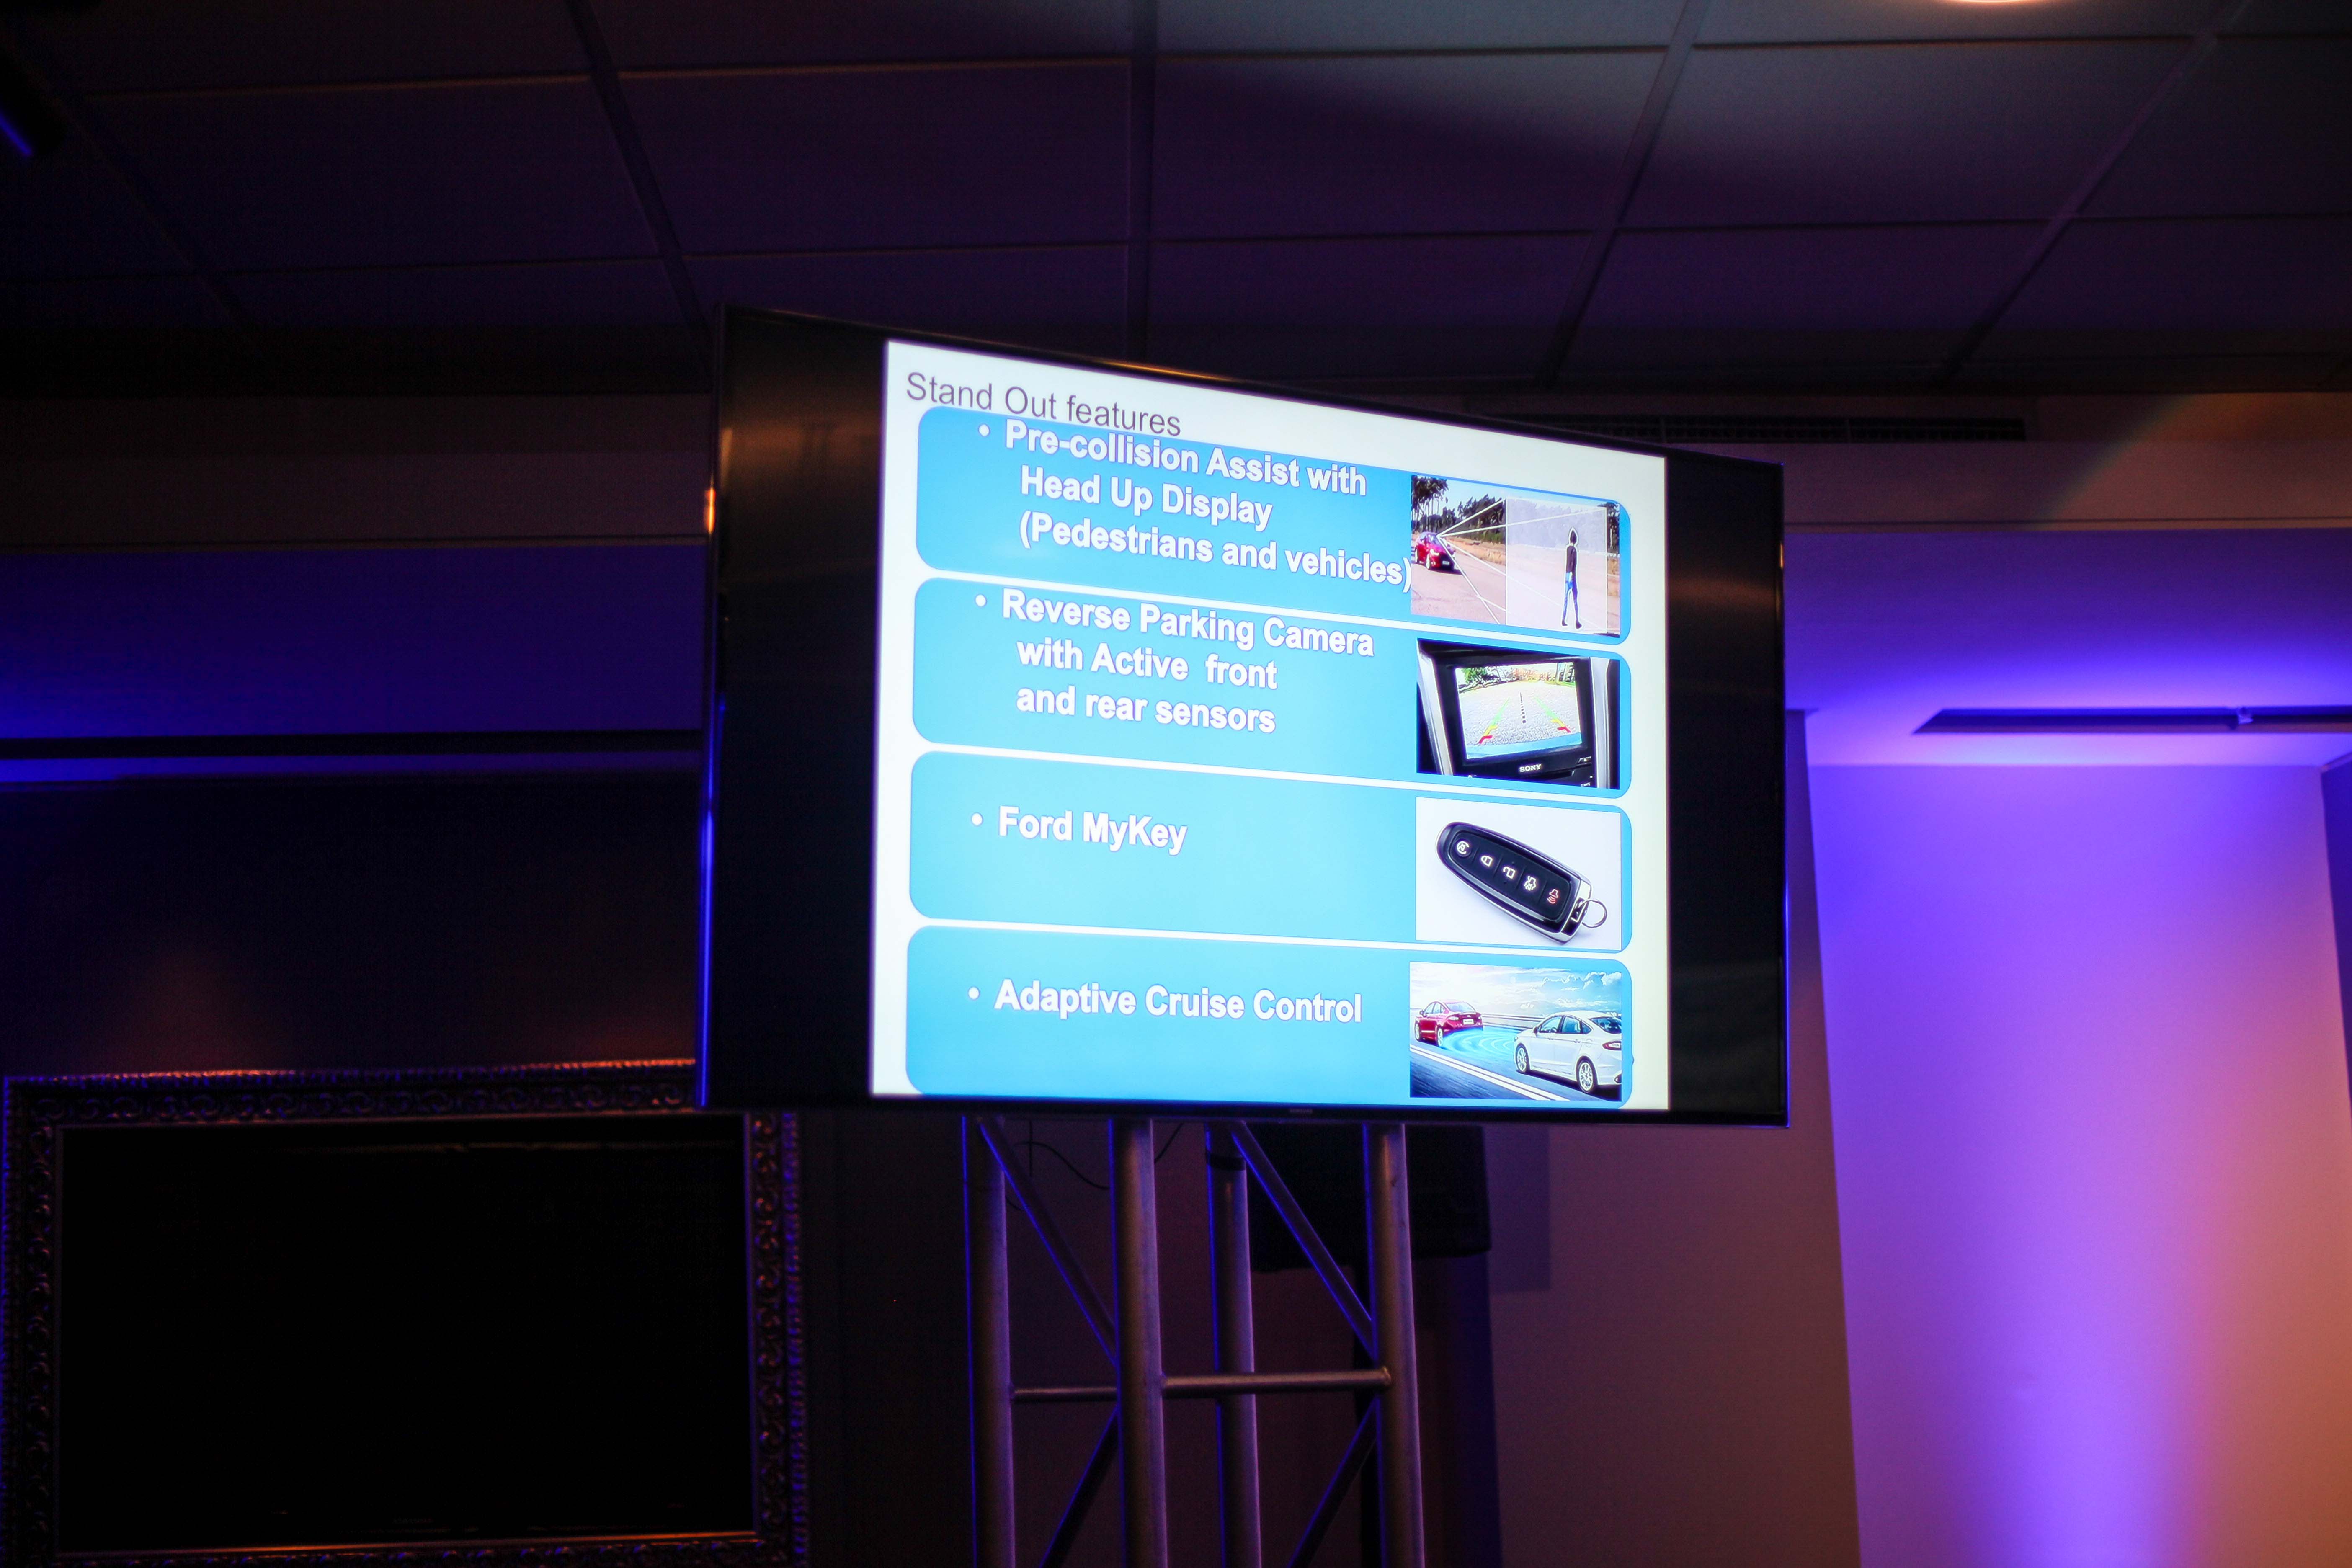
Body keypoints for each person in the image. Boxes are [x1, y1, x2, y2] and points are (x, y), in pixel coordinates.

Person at [1563, 529, 1581, 628]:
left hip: (1566, 574)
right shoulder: (1574, 550)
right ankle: (1577, 621)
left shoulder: (1568, 549)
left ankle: (1563, 619)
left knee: (1566, 598)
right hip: (1572, 576)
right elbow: (1573, 564)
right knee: (1575, 599)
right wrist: (1572, 576)